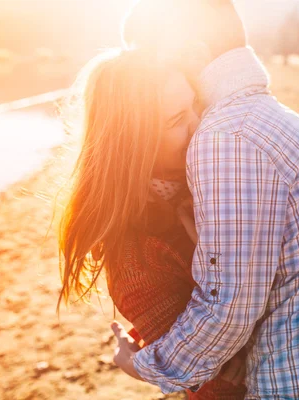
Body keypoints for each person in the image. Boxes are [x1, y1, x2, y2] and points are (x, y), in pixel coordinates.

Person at [110, 1, 299, 399]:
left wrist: (145, 366)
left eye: (150, 56)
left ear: (193, 52)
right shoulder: (269, 117)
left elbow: (227, 309)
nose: (147, 71)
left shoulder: (225, 137)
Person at [57, 47, 247, 399]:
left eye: (195, 104)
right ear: (133, 144)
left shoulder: (210, 180)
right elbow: (212, 374)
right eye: (176, 120)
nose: (198, 123)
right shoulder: (135, 259)